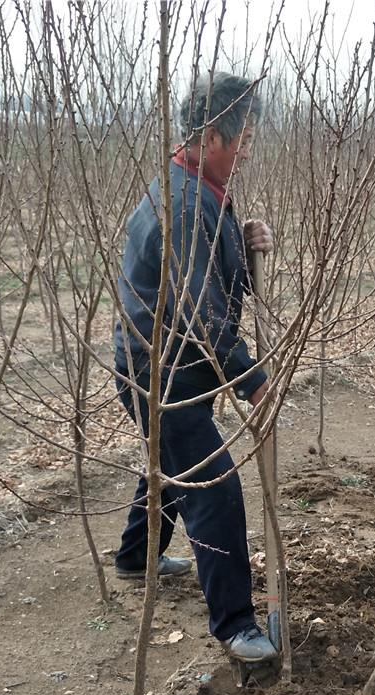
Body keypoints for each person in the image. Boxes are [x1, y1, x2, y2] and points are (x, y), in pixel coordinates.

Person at [113, 74, 278, 664]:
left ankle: (137, 556)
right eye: (243, 139)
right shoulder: (184, 205)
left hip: (175, 369)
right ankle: (235, 625)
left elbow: (208, 268)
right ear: (212, 137)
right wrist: (257, 381)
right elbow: (204, 316)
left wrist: (243, 235)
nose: (246, 150)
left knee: (169, 461)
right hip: (161, 373)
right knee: (213, 484)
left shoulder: (196, 188)